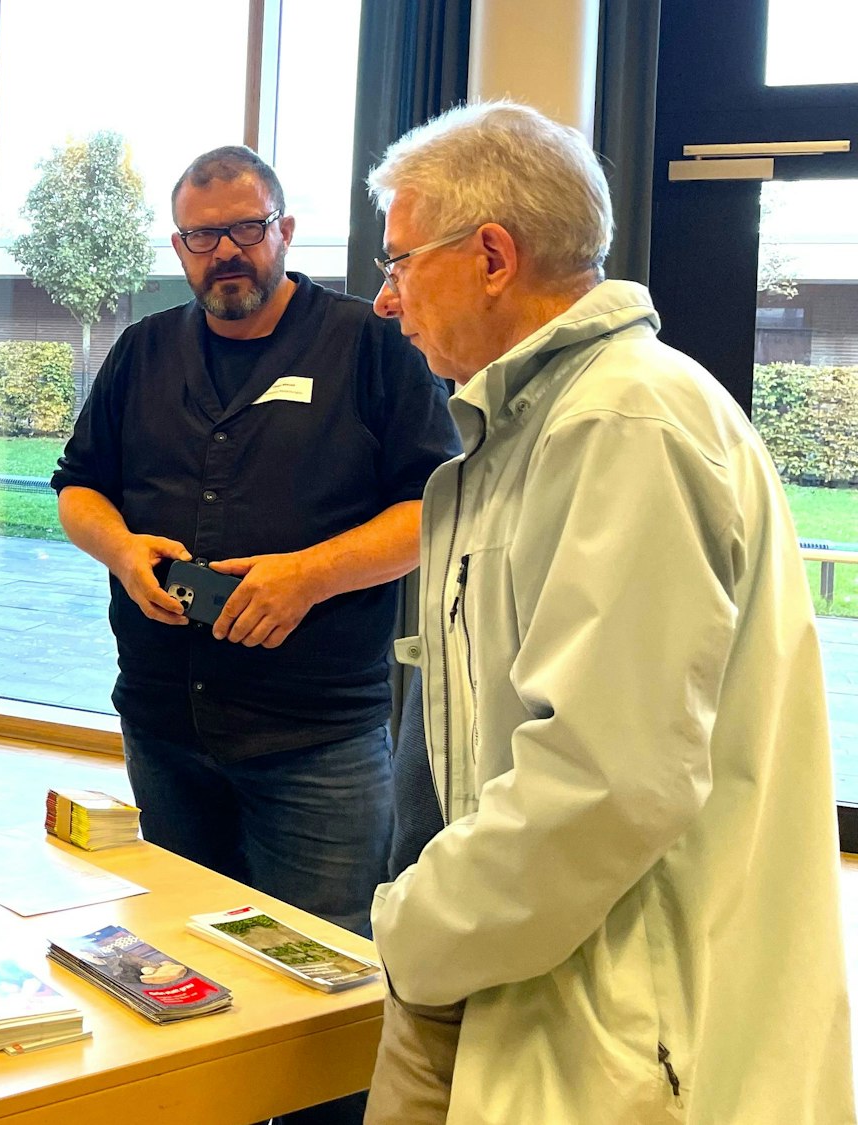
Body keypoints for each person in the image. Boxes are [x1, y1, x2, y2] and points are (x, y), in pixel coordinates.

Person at [364, 100, 854, 1123]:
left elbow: (601, 782)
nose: (383, 299)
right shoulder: (526, 431)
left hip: (592, 1001)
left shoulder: (620, 423)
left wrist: (415, 929)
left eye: (400, 262)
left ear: (490, 255)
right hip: (492, 962)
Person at [51, 147, 458, 1124]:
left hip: (315, 739)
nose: (224, 252)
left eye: (245, 228)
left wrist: (306, 575)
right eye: (202, 237)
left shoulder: (370, 348)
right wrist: (121, 551)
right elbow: (74, 487)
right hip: (163, 727)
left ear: (283, 230)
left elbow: (434, 506)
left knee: (322, 994)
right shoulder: (143, 351)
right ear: (179, 246)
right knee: (184, 971)